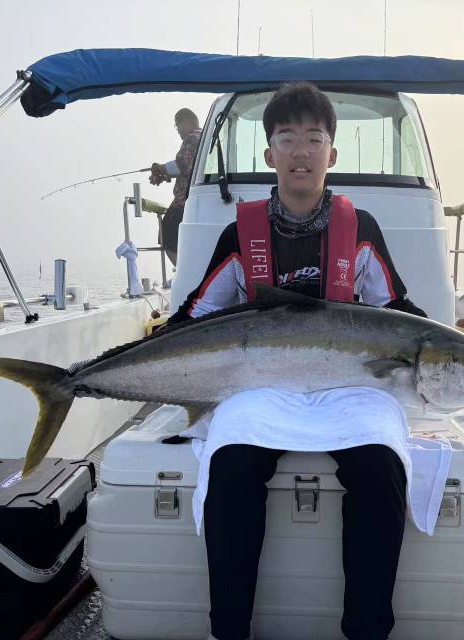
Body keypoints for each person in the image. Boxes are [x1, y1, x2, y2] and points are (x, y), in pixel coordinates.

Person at [169, 82, 426, 640]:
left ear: (332, 153)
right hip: (261, 385)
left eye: (314, 138)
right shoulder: (241, 231)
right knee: (231, 468)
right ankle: (229, 630)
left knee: (381, 471)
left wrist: (437, 339)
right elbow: (198, 312)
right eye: (287, 138)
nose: (301, 151)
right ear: (270, 155)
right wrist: (150, 357)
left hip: (346, 384)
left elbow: (394, 308)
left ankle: (367, 631)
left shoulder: (362, 229)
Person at [149, 107, 202, 265]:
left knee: (167, 236)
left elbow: (183, 164)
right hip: (198, 200)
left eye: (177, 125)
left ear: (186, 121)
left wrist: (160, 169)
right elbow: (192, 168)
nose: (177, 130)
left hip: (185, 201)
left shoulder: (192, 138)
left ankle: (184, 273)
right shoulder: (205, 136)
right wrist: (165, 174)